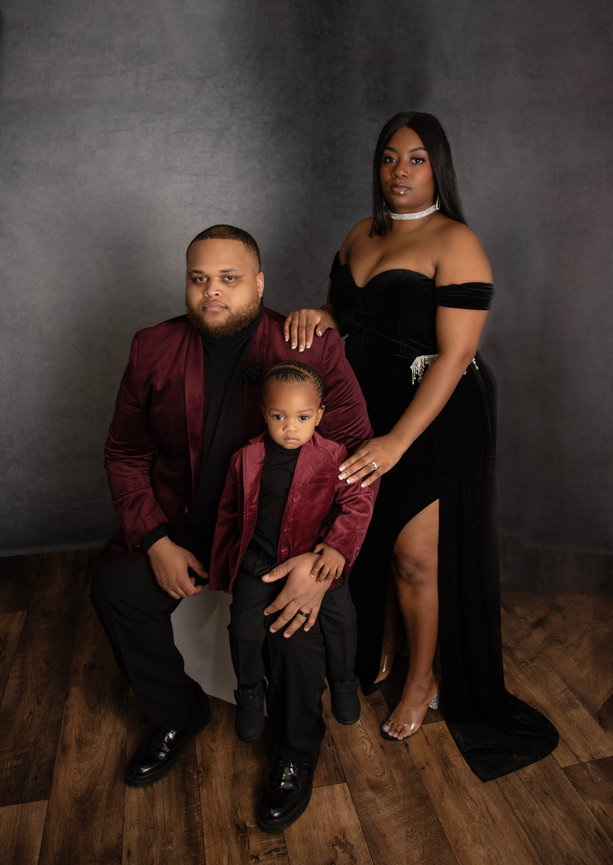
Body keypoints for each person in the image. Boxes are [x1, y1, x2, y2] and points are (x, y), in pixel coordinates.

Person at [284, 111, 558, 781]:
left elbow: (457, 353)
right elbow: (343, 316)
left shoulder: (455, 240)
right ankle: (379, 648)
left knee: (413, 559)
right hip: (360, 411)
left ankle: (423, 680)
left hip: (431, 418)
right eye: (387, 157)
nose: (398, 171)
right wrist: (320, 317)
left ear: (437, 167)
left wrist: (397, 440)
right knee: (368, 540)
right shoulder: (358, 233)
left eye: (414, 159)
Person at [90, 225, 373, 828]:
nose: (210, 292)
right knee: (115, 588)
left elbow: (358, 458)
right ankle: (176, 714)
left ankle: (296, 752)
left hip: (281, 540)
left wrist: (328, 556)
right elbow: (124, 453)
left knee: (295, 620)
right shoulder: (152, 347)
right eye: (198, 279)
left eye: (228, 278)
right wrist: (155, 541)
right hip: (183, 527)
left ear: (260, 283)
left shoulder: (307, 345)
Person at [209, 360, 374, 829]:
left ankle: (337, 694)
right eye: (279, 416)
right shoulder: (246, 457)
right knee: (244, 626)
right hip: (259, 563)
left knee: (333, 623)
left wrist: (336, 552)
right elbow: (228, 514)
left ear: (319, 415)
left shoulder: (335, 455)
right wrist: (224, 567)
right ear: (263, 413)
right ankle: (248, 693)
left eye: (302, 417)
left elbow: (359, 500)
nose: (289, 427)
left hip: (314, 561)